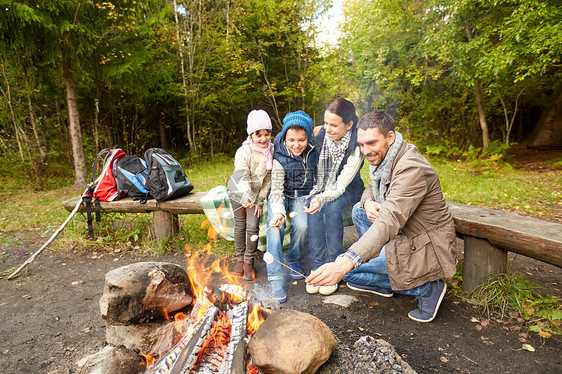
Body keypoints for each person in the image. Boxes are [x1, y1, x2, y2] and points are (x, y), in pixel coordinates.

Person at [306, 111, 458, 322]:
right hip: (403, 233)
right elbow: (371, 186)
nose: (365, 151)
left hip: (424, 246)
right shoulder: (387, 156)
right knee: (359, 209)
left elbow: (389, 219)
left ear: (390, 137)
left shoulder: (411, 168)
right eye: (361, 144)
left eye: (371, 143)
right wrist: (368, 202)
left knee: (347, 271)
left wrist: (346, 262)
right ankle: (383, 274)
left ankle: (427, 289)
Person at [304, 98, 364, 296]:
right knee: (313, 205)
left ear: (349, 125)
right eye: (325, 123)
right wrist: (317, 196)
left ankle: (333, 265)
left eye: (334, 125)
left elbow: (340, 186)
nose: (327, 129)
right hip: (321, 186)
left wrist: (322, 198)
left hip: (348, 191)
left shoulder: (356, 147)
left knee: (330, 206)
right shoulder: (322, 134)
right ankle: (317, 264)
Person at [266, 110, 319, 303]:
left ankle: (293, 259)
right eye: (291, 140)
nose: (296, 145)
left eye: (301, 140)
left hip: (303, 196)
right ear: (285, 138)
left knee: (302, 226)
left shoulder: (315, 149)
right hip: (281, 196)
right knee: (275, 229)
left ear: (308, 137)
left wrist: (314, 197)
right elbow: (276, 191)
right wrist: (279, 212)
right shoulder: (278, 155)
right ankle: (275, 276)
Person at [227, 109, 273, 281]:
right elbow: (242, 176)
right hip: (239, 191)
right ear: (251, 135)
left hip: (255, 196)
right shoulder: (244, 152)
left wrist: (259, 200)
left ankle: (249, 260)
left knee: (252, 226)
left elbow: (267, 178)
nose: (263, 139)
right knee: (240, 225)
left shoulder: (271, 150)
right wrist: (247, 198)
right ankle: (240, 259)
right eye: (258, 135)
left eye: (266, 134)